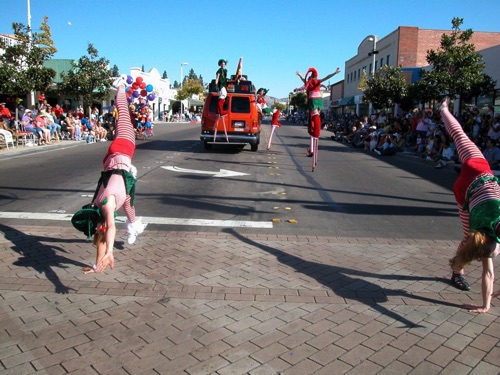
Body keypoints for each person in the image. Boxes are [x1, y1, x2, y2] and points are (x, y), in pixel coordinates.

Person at [439, 97, 500, 313]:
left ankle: (444, 109)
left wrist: (485, 306)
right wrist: (485, 306)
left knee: (459, 136)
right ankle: (457, 270)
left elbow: (489, 274)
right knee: (467, 240)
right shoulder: (480, 235)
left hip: (474, 178)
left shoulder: (478, 234)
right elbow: (489, 274)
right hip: (471, 181)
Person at [80, 79, 147, 274]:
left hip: (120, 156)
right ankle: (133, 226)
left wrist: (103, 257)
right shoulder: (102, 205)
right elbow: (107, 230)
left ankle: (119, 87)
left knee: (123, 115)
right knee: (123, 115)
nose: (103, 226)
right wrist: (104, 257)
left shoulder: (101, 204)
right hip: (119, 156)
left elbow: (106, 231)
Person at [296, 67, 341, 156]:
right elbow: (325, 79)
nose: (315, 78)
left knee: (313, 115)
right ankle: (315, 121)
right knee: (316, 113)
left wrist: (300, 78)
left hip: (313, 100)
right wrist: (334, 74)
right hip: (318, 100)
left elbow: (303, 85)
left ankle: (315, 124)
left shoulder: (310, 83)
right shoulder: (314, 82)